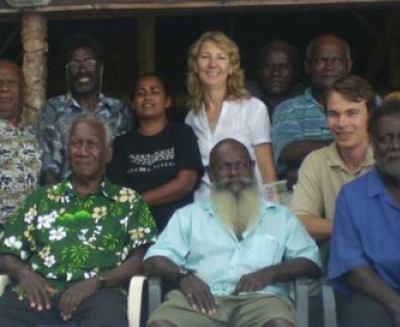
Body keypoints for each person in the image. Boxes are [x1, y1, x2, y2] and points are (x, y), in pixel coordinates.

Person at [0, 114, 157, 327]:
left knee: (108, 319)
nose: (82, 151)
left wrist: (97, 282)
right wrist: (25, 274)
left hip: (99, 296)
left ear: (108, 153)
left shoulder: (128, 202)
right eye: (76, 144)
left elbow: (141, 260)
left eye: (91, 144)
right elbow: (7, 252)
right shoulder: (41, 198)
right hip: (37, 292)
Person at [144, 138, 321, 327]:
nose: (234, 174)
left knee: (279, 324)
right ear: (211, 174)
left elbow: (310, 261)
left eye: (241, 165)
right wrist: (184, 276)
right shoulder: (188, 216)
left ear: (252, 168)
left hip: (261, 301)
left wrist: (270, 272)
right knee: (161, 324)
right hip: (199, 301)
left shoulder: (280, 216)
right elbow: (154, 260)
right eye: (224, 167)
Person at [328, 99, 400, 327]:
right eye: (385, 139)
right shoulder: (352, 197)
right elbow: (352, 266)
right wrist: (395, 303)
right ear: (373, 144)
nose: (395, 146)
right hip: (379, 296)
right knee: (364, 319)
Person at [185, 31, 277, 201]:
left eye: (221, 57)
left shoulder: (253, 108)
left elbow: (268, 172)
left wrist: (275, 213)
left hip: (248, 207)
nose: (213, 64)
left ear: (232, 67)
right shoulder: (192, 117)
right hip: (205, 209)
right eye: (205, 56)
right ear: (196, 66)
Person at [108, 73, 203, 231]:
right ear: (132, 104)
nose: (147, 97)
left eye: (155, 91)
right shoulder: (122, 144)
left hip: (180, 227)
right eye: (140, 93)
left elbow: (185, 183)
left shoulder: (182, 133)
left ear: (167, 101)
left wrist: (139, 201)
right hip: (137, 228)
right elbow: (121, 193)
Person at [39, 33, 133, 185]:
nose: (82, 70)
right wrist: (58, 202)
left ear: (100, 69)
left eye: (89, 63)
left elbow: (124, 162)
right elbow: (49, 163)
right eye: (74, 65)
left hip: (109, 198)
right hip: (64, 197)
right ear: (67, 72)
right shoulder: (54, 108)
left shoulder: (119, 110)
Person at [291, 74, 375, 242]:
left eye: (352, 113)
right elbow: (298, 221)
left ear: (370, 116)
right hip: (340, 258)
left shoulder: (390, 157)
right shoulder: (316, 161)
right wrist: (356, 228)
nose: (342, 123)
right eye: (334, 114)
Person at [272, 34, 353, 187]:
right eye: (320, 60)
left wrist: (306, 165)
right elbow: (291, 153)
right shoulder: (288, 109)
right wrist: (353, 143)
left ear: (348, 65)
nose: (329, 67)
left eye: (336, 60)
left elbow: (378, 149)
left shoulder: (368, 103)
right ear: (307, 66)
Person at [0, 60, 42, 229]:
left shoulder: (36, 133)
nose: (3, 89)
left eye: (11, 83)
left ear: (23, 90)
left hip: (29, 237)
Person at [246, 40, 305, 117]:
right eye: (268, 66)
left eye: (283, 67)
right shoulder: (245, 95)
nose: (275, 73)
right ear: (258, 71)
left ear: (295, 72)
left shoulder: (304, 97)